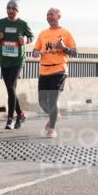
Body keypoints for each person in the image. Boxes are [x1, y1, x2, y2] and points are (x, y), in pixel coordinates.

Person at [32, 8, 77, 139]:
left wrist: (64, 48)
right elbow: (36, 49)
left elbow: (75, 52)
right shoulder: (42, 33)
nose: (49, 17)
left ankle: (52, 128)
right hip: (44, 70)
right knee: (41, 102)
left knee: (52, 101)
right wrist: (35, 53)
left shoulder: (65, 33)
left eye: (51, 14)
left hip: (59, 70)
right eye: (47, 15)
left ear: (59, 16)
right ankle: (54, 115)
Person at [0, 0, 34, 130]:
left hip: (17, 60)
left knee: (10, 86)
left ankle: (10, 119)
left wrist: (25, 41)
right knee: (11, 89)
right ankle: (20, 114)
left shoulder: (23, 24)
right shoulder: (0, 22)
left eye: (13, 9)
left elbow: (31, 36)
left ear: (17, 11)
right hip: (5, 60)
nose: (10, 11)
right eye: (8, 8)